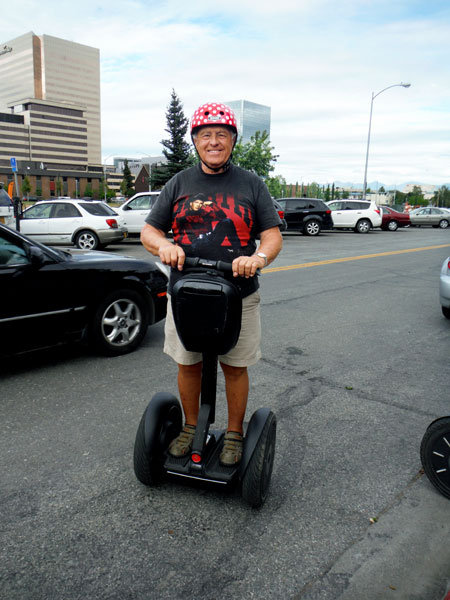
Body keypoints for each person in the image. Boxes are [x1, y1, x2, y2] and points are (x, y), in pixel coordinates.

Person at [141, 102, 283, 466]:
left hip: (238, 294)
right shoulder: (179, 183)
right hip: (186, 294)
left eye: (222, 135)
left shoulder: (251, 183)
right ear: (196, 142)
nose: (214, 141)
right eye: (206, 135)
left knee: (235, 366)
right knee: (187, 364)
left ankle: (234, 434)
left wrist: (258, 259)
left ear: (233, 140)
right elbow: (149, 230)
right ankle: (190, 427)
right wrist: (165, 245)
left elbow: (271, 236)